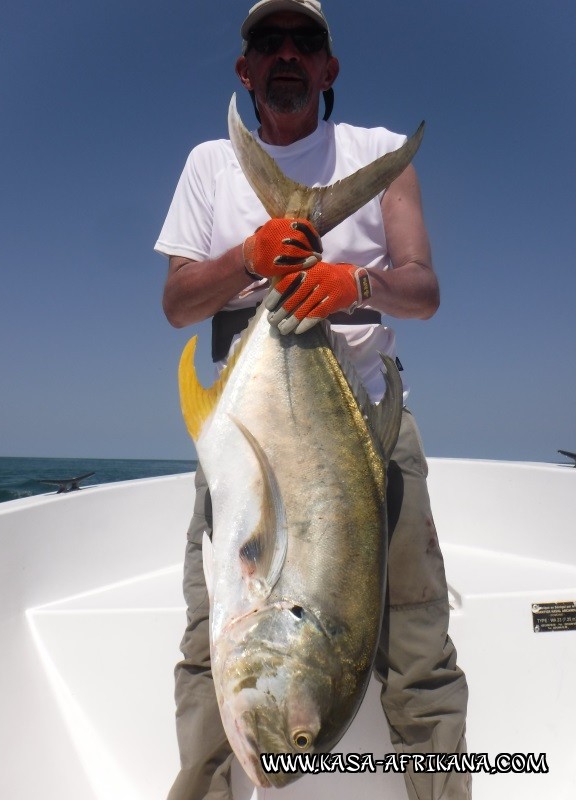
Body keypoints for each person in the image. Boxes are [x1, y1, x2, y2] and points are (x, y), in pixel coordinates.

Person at [156, 2, 470, 798]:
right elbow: (179, 304)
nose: (287, 54)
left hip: (369, 420)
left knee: (419, 652)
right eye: (268, 42)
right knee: (210, 640)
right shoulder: (209, 164)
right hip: (247, 437)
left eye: (307, 42)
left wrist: (355, 282)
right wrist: (249, 255)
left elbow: (423, 290)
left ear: (330, 68)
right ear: (245, 69)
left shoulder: (382, 156)